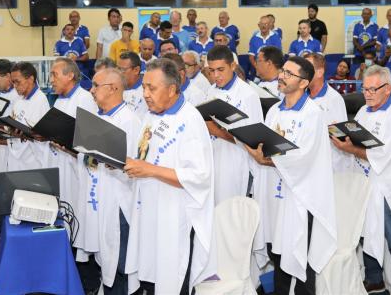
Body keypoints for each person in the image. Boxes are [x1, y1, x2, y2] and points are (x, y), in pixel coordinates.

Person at [245, 56, 336, 295]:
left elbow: (304, 157)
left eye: (289, 74)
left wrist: (265, 158)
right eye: (282, 71)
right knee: (277, 253)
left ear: (304, 82)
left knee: (301, 260)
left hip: (301, 198)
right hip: (276, 194)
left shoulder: (313, 114)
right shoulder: (275, 109)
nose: (281, 76)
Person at [124, 58, 215, 295]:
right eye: (144, 87)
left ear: (173, 89)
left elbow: (198, 176)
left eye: (151, 88)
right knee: (151, 277)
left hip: (175, 215)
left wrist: (149, 170)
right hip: (151, 210)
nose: (145, 94)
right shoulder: (151, 115)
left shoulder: (190, 120)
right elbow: (144, 154)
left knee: (172, 281)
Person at [331, 65, 391, 294]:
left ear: (387, 89)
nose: (367, 94)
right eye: (365, 89)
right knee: (365, 233)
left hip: (389, 187)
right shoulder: (362, 112)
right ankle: (374, 279)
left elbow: (384, 154)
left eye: (373, 89)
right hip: (365, 182)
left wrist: (351, 149)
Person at [78, 67, 141, 294]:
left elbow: (133, 167)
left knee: (120, 265)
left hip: (118, 206)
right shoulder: (98, 117)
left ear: (113, 88)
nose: (91, 90)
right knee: (105, 262)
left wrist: (115, 163)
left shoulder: (129, 121)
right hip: (99, 199)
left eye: (96, 85)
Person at [204, 45, 263, 204]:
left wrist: (217, 131)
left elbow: (254, 139)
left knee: (232, 213)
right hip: (214, 157)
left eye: (221, 69)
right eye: (212, 70)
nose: (216, 75)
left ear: (233, 66)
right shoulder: (211, 91)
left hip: (236, 163)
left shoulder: (247, 95)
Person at [46, 57, 98, 210]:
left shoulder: (85, 99)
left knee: (75, 210)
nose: (51, 80)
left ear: (70, 76)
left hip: (75, 168)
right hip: (60, 163)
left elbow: (89, 140)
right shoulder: (59, 100)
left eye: (54, 75)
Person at [305, 53, 349, 172]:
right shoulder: (301, 96)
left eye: (307, 68)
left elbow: (340, 136)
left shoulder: (334, 99)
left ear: (319, 72)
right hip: (307, 163)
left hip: (329, 166)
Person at [6, 62, 50, 171]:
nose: (15, 86)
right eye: (13, 82)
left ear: (30, 79)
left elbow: (41, 135)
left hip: (32, 161)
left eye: (17, 82)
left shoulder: (40, 100)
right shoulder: (19, 101)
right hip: (17, 156)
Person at [117, 51, 147, 119]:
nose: (119, 73)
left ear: (136, 70)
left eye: (123, 69)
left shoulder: (146, 92)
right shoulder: (114, 86)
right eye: (118, 68)